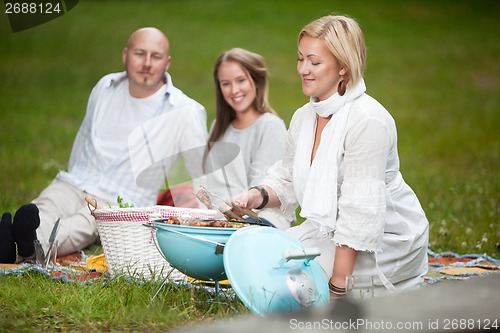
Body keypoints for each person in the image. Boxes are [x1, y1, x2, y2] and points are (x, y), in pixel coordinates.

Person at [231, 15, 429, 297]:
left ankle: (382, 284)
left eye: (314, 61)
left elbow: (359, 213)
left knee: (291, 280)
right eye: (301, 59)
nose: (303, 69)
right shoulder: (305, 117)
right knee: (256, 256)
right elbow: (287, 178)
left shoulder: (368, 121)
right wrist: (256, 196)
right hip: (329, 230)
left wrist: (338, 288)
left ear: (343, 67)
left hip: (385, 239)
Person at [0, 27, 208, 262]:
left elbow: (202, 172)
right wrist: (74, 177)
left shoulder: (184, 111)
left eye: (156, 56)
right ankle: (18, 241)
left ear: (167, 62)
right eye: (140, 53)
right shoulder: (105, 87)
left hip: (119, 200)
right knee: (45, 206)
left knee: (81, 225)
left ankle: (26, 245)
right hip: (79, 181)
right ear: (125, 55)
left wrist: (203, 224)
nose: (147, 63)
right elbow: (83, 140)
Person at [201, 48, 293, 230]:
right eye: (225, 83)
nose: (234, 90)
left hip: (257, 223)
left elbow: (262, 189)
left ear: (257, 81)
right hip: (220, 220)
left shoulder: (270, 126)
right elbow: (211, 184)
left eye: (241, 80)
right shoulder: (219, 126)